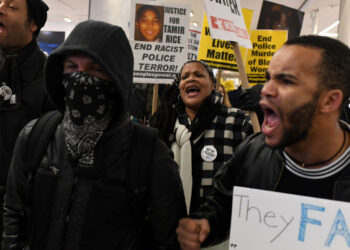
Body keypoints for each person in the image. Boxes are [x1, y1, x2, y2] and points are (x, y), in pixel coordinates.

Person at [3, 20, 186, 250]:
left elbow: (169, 239)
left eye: (95, 69)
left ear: (117, 78)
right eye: (71, 67)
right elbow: (14, 215)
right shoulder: (36, 135)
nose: (80, 78)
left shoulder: (149, 153)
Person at [176, 35, 350, 249]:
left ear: (330, 100)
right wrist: (205, 224)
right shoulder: (252, 151)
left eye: (287, 81)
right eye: (269, 79)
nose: (265, 90)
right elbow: (223, 201)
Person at [150, 60, 253, 214]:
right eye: (185, 77)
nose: (191, 79)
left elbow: (260, 163)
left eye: (199, 75)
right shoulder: (164, 123)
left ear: (212, 84)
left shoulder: (237, 121)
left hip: (219, 225)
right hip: (171, 224)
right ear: (179, 87)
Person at [0, 0, 51, 242]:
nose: (0, 8)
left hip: (26, 210)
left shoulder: (51, 77)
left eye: (12, 6)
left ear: (33, 24)